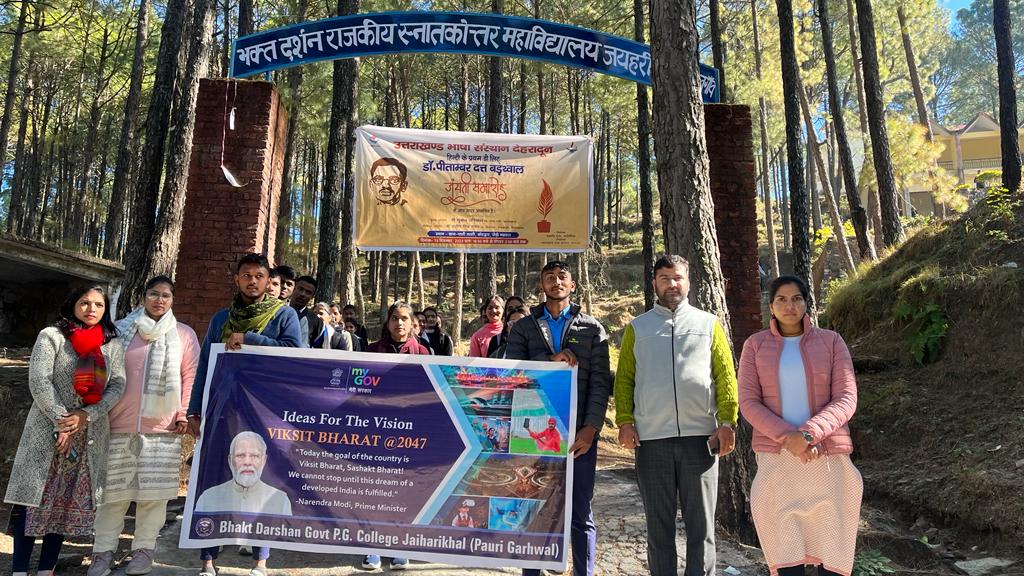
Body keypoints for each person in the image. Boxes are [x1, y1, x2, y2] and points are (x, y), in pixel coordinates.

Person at [614, 254, 738, 576]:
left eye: (678, 277)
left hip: (701, 439)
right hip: (651, 441)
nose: (672, 284)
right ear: (654, 283)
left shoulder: (708, 324)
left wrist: (727, 422)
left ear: (688, 282)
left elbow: (725, 376)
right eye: (665, 278)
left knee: (702, 529)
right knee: (659, 530)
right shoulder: (638, 328)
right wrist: (625, 421)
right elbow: (625, 379)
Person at [187, 253, 302, 576]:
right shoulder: (221, 319)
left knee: (264, 479)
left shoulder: (284, 315)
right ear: (236, 279)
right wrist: (195, 410)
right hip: (224, 408)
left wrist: (251, 340)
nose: (253, 281)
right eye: (246, 276)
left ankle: (259, 560)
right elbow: (205, 367)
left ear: (268, 281)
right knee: (215, 475)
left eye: (259, 276)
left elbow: (295, 352)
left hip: (266, 411)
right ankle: (208, 559)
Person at [739, 275, 861, 576]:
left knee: (833, 551)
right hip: (777, 460)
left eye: (796, 298)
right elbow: (749, 402)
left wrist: (808, 434)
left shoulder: (832, 342)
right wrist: (788, 438)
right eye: (781, 299)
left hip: (826, 457)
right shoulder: (755, 346)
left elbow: (846, 398)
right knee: (786, 556)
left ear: (807, 303)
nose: (789, 306)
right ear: (771, 306)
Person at [5, 285, 126, 576]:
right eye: (85, 302)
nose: (92, 309)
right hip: (47, 433)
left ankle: (47, 569)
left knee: (64, 505)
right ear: (73, 304)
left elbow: (117, 385)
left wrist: (86, 415)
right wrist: (63, 421)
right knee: (33, 502)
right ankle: (19, 569)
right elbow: (40, 381)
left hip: (87, 437)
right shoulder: (52, 337)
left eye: (99, 304)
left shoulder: (111, 345)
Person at [88, 276, 200, 576]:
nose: (159, 300)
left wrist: (183, 413)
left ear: (172, 300)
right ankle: (102, 553)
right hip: (116, 424)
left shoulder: (183, 335)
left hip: (162, 429)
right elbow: (101, 372)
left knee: (153, 498)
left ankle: (143, 551)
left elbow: (191, 377)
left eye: (166, 295)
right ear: (144, 296)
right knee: (112, 496)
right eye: (154, 294)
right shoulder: (120, 329)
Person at [505, 261, 611, 576]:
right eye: (549, 278)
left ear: (573, 285)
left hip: (579, 435)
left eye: (562, 277)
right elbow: (514, 374)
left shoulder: (592, 328)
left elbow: (600, 383)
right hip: (534, 435)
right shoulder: (524, 327)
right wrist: (549, 361)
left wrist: (591, 428)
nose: (556, 282)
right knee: (533, 508)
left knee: (580, 511)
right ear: (542, 286)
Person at [361, 301, 429, 571]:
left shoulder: (423, 352)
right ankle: (373, 548)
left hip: (409, 436)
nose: (399, 323)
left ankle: (400, 546)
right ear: (387, 322)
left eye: (404, 318)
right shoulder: (370, 351)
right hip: (376, 432)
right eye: (394, 318)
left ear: (413, 323)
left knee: (403, 491)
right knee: (375, 490)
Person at [195, 432, 292, 516]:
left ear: (263, 461)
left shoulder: (281, 501)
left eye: (254, 456)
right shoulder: (207, 498)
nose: (247, 462)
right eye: (240, 455)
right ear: (230, 460)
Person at [290, 276, 334, 349]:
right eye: (300, 289)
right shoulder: (278, 311)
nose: (303, 294)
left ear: (312, 296)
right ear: (294, 288)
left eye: (308, 292)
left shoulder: (317, 322)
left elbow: (321, 350)